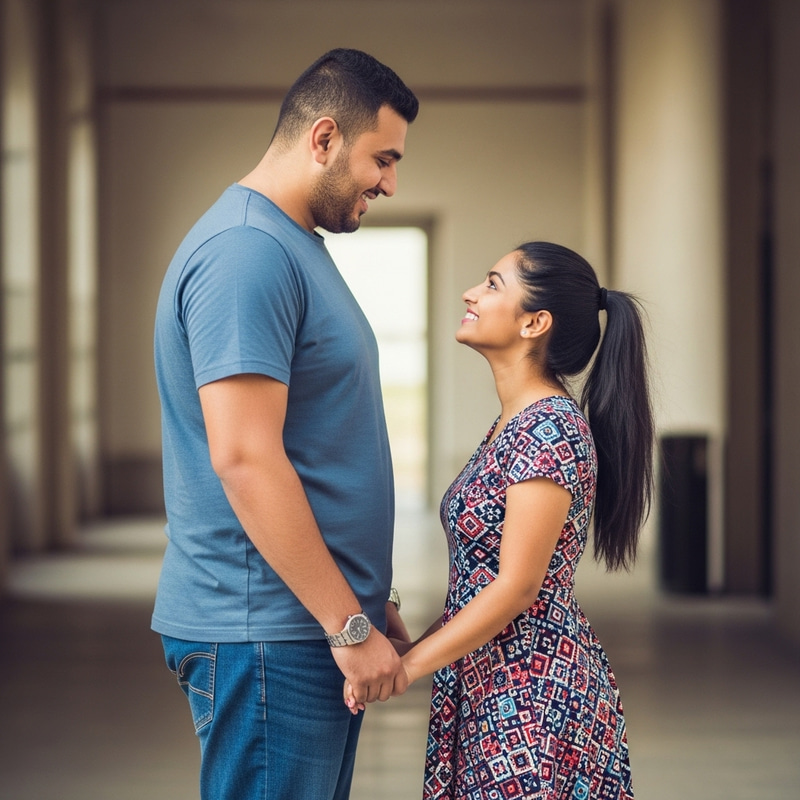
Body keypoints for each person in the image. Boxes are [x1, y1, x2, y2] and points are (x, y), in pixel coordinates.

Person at [152, 49, 419, 800]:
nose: (390, 184)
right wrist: (349, 626)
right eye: (384, 158)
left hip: (303, 628)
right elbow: (244, 457)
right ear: (325, 137)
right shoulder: (248, 252)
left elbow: (314, 438)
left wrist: (366, 603)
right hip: (270, 632)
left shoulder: (291, 245)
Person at [346, 241, 654, 799]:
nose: (471, 293)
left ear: (535, 322)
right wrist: (413, 647)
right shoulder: (513, 424)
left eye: (492, 284)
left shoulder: (549, 429)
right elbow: (483, 582)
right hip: (489, 680)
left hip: (533, 696)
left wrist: (406, 669)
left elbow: (516, 587)